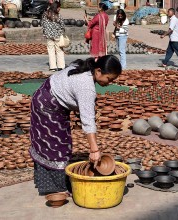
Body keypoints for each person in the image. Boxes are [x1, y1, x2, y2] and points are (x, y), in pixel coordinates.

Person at [29, 55, 122, 195]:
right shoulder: (86, 86)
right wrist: (94, 150)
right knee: (56, 147)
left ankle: (52, 183)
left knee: (55, 143)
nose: (109, 83)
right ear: (98, 71)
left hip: (45, 97)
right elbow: (88, 120)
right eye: (109, 78)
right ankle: (56, 188)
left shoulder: (85, 68)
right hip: (47, 106)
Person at [42, 2, 65, 72]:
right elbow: (62, 25)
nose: (60, 9)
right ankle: (61, 66)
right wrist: (62, 31)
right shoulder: (58, 15)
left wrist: (45, 33)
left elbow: (43, 24)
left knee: (51, 51)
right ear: (56, 7)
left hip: (49, 35)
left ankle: (52, 67)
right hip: (57, 35)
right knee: (59, 51)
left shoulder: (45, 14)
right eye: (59, 7)